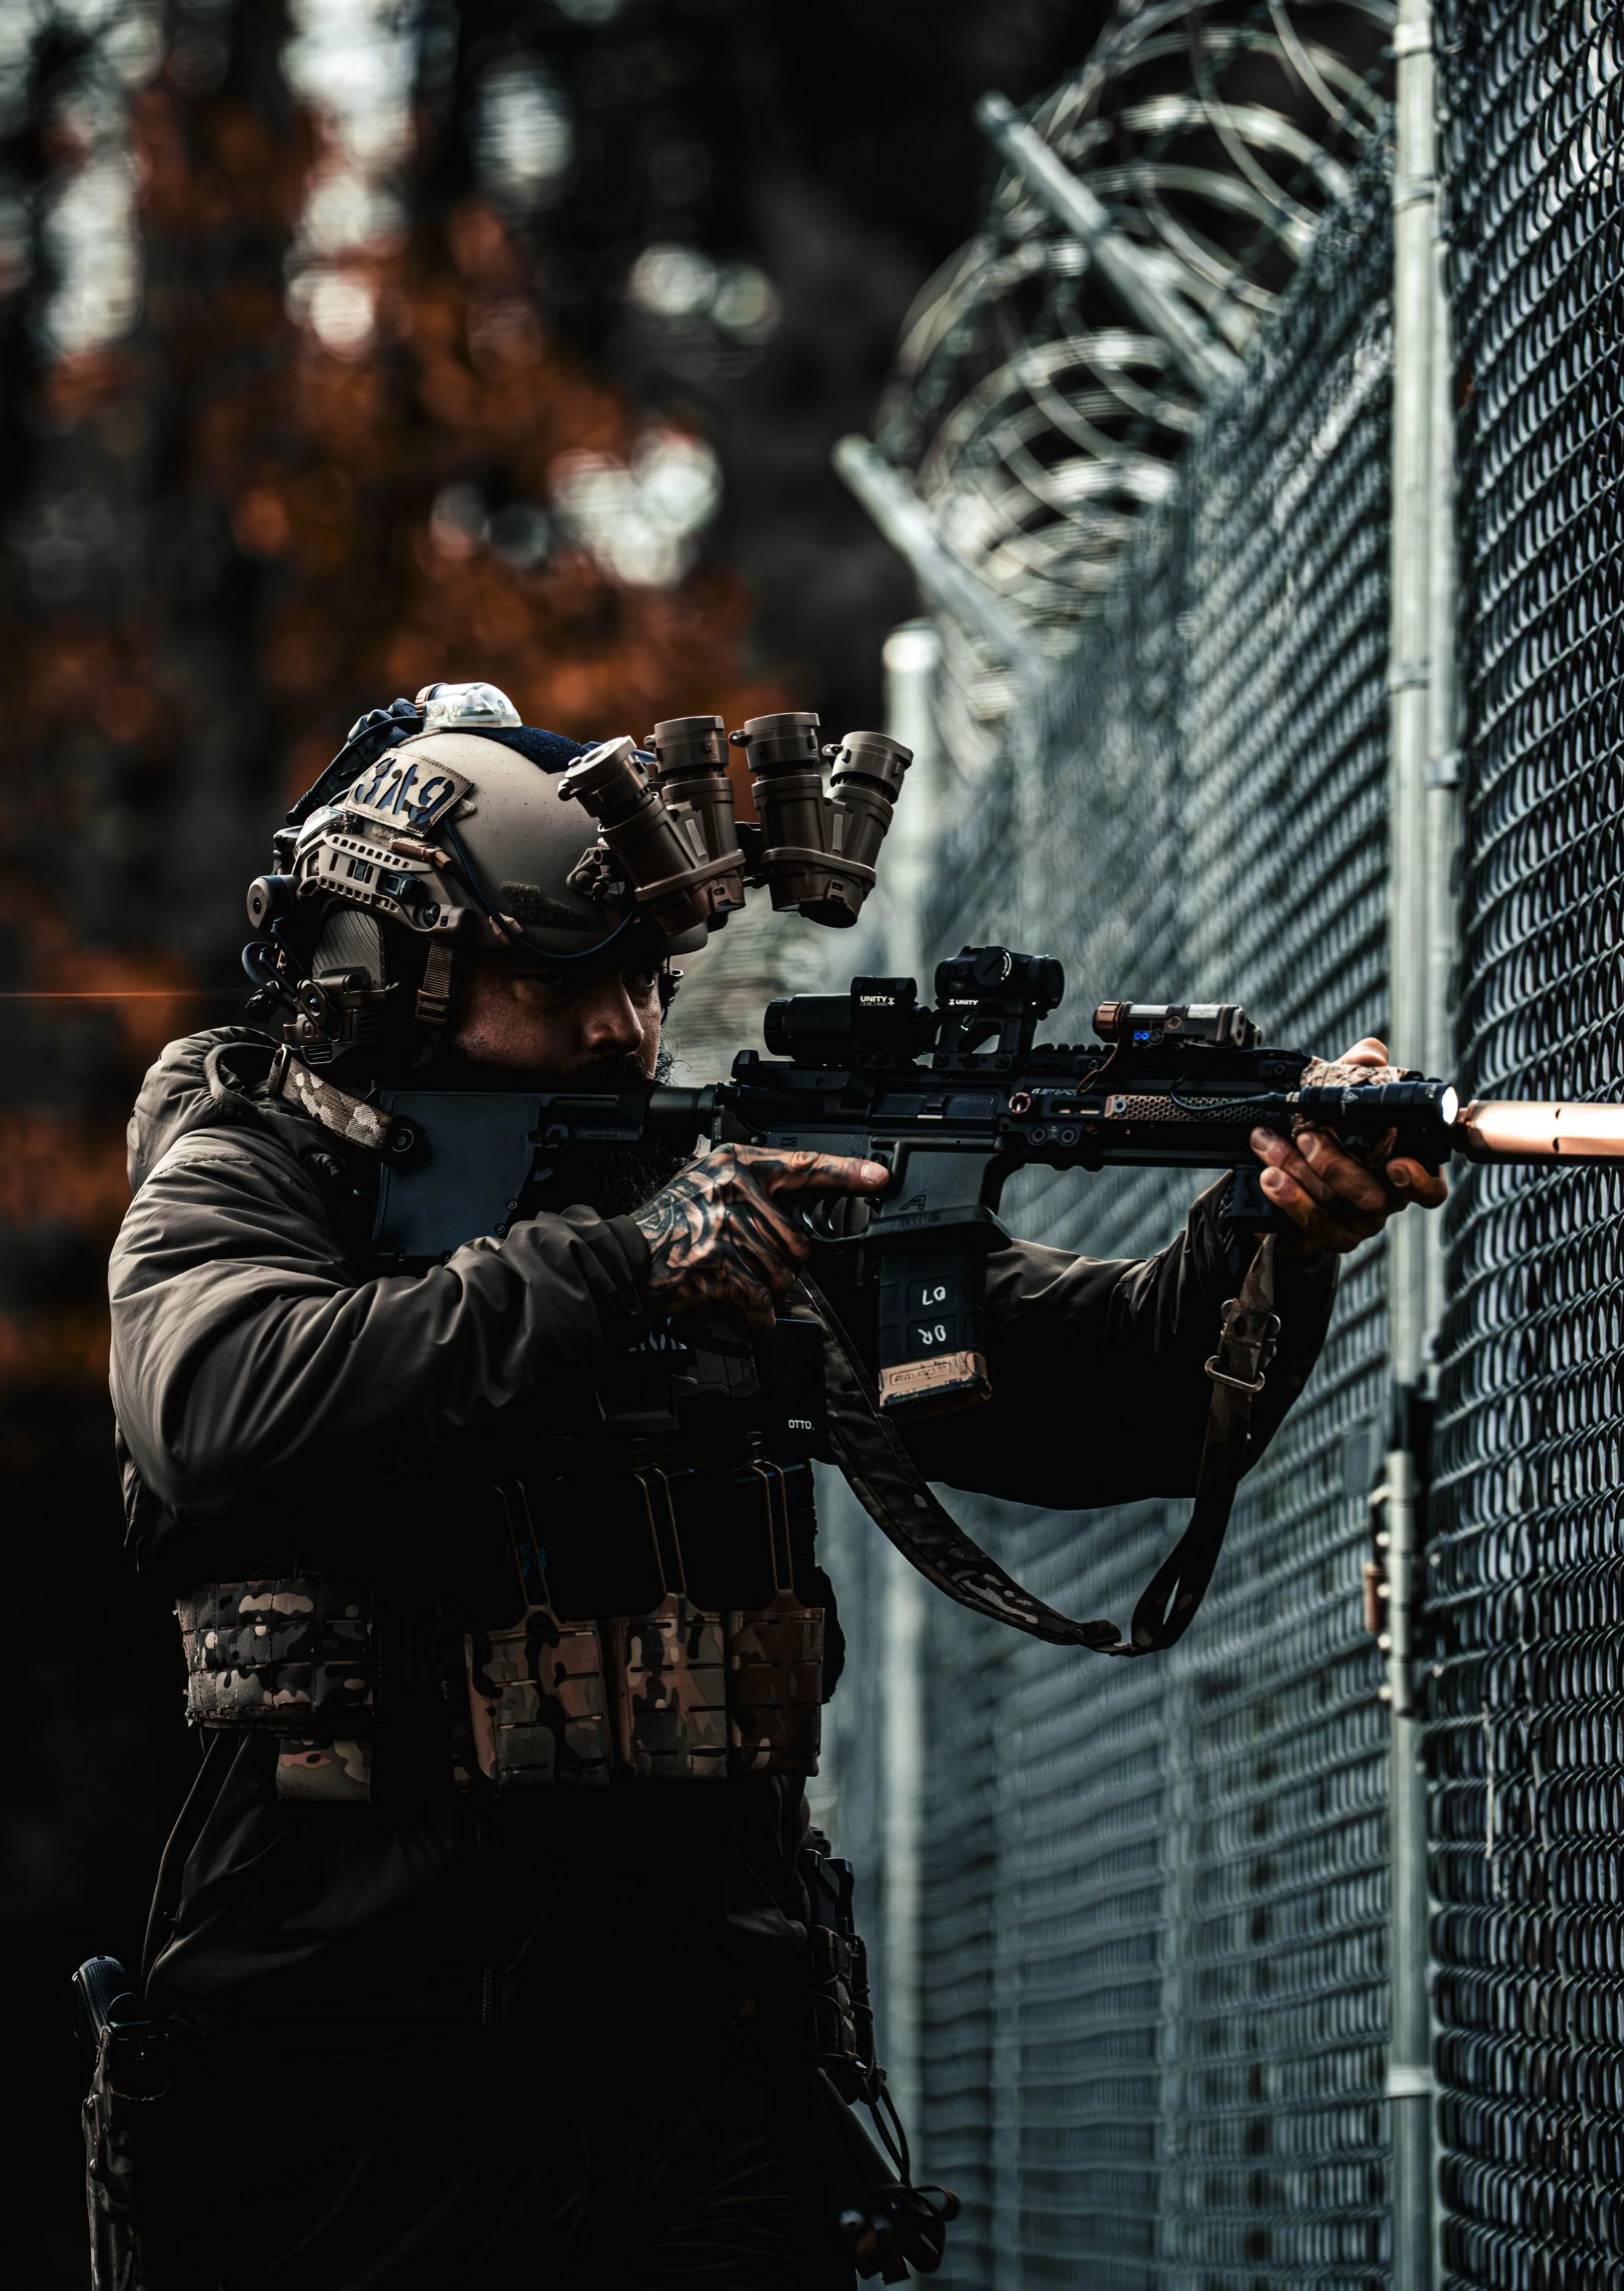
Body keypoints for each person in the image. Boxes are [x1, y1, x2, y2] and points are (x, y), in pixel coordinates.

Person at [99, 683, 1444, 2290]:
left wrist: (1268, 1237)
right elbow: (217, 1400)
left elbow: (1109, 1405)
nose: (621, 1025)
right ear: (390, 977)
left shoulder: (716, 1183)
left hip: (696, 2072)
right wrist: (620, 1267)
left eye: (645, 979)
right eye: (563, 977)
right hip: (351, 2076)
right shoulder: (263, 1164)